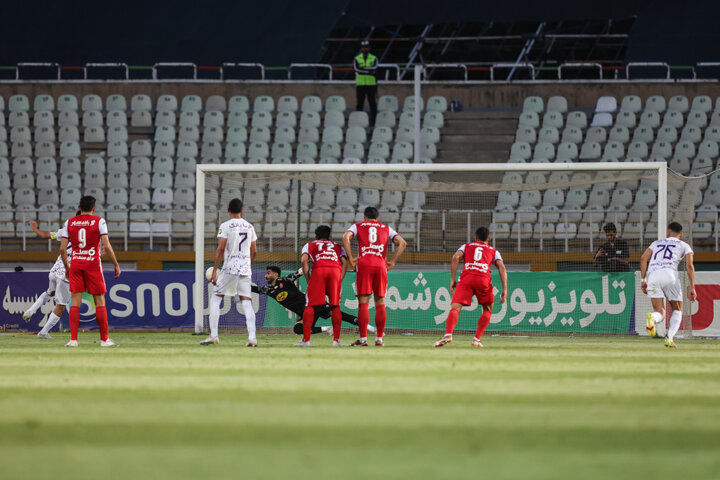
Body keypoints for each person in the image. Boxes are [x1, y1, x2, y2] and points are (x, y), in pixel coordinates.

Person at [60, 196, 121, 347]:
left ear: (79, 207)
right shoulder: (99, 221)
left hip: (76, 264)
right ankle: (104, 340)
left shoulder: (69, 222)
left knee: (75, 301)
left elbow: (62, 249)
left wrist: (67, 267)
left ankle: (73, 340)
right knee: (99, 300)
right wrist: (116, 264)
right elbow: (106, 246)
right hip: (93, 264)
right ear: (94, 208)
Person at [342, 206, 407, 346]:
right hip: (380, 264)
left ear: (364, 218)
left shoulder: (357, 226)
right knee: (380, 302)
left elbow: (345, 237)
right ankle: (379, 339)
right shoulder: (386, 228)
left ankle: (363, 339)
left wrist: (351, 258)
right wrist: (393, 262)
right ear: (378, 218)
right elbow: (402, 243)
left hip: (364, 263)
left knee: (363, 302)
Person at [434, 227, 508, 348]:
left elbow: (455, 257)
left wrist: (452, 280)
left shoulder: (466, 246)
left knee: (455, 308)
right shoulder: (494, 251)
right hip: (483, 279)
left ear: (475, 238)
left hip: (467, 278)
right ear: (488, 239)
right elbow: (502, 267)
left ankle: (448, 334)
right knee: (488, 309)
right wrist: (505, 289)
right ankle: (476, 339)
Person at [253, 266, 370, 336]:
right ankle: (327, 328)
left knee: (338, 314)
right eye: (266, 273)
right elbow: (256, 289)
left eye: (268, 273)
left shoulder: (284, 280)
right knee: (298, 329)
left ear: (275, 274)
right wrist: (241, 285)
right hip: (306, 314)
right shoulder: (269, 290)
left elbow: (297, 274)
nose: (265, 276)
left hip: (314, 305)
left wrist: (302, 270)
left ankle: (367, 326)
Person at [204, 198, 258, 347]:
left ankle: (214, 336)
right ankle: (252, 338)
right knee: (247, 302)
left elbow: (221, 249)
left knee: (215, 299)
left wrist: (215, 270)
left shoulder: (225, 226)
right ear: (241, 210)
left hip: (229, 267)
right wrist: (248, 264)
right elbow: (254, 251)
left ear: (228, 210)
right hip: (245, 269)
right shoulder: (250, 226)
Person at [640, 222, 696, 348]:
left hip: (653, 276)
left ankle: (653, 318)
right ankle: (669, 338)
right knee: (677, 309)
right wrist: (692, 287)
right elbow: (689, 266)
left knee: (659, 311)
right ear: (680, 234)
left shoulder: (656, 243)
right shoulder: (684, 245)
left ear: (668, 233)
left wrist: (643, 280)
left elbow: (643, 258)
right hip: (670, 275)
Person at [22, 217, 77, 337]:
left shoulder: (65, 231)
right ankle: (43, 332)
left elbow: (46, 235)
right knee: (61, 306)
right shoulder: (87, 235)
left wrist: (35, 229)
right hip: (66, 272)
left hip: (55, 268)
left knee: (50, 292)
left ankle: (30, 311)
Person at [295, 225, 349, 347]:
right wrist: (340, 278)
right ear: (329, 236)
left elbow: (304, 261)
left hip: (319, 271)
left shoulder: (309, 245)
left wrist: (309, 279)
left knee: (310, 305)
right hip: (335, 271)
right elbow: (345, 262)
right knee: (335, 306)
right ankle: (336, 340)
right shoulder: (337, 246)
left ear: (315, 236)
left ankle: (306, 340)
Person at [354, 40, 378, 126]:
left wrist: (363, 69)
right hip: (360, 84)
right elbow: (356, 69)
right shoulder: (357, 58)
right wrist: (369, 70)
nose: (365, 49)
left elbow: (375, 68)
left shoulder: (374, 58)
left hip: (371, 84)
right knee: (360, 103)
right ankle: (359, 122)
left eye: (366, 47)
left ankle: (373, 121)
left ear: (369, 48)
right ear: (361, 48)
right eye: (364, 47)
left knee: (372, 102)